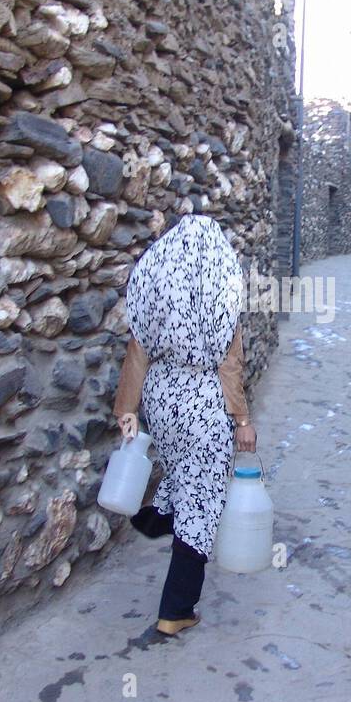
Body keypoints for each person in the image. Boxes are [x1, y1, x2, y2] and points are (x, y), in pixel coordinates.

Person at [112, 213, 257, 636]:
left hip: (160, 397)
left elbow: (136, 351)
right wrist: (243, 419)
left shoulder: (156, 290)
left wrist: (128, 410)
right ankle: (177, 609)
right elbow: (231, 366)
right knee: (203, 499)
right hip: (203, 401)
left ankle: (155, 517)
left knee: (182, 469)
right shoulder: (218, 292)